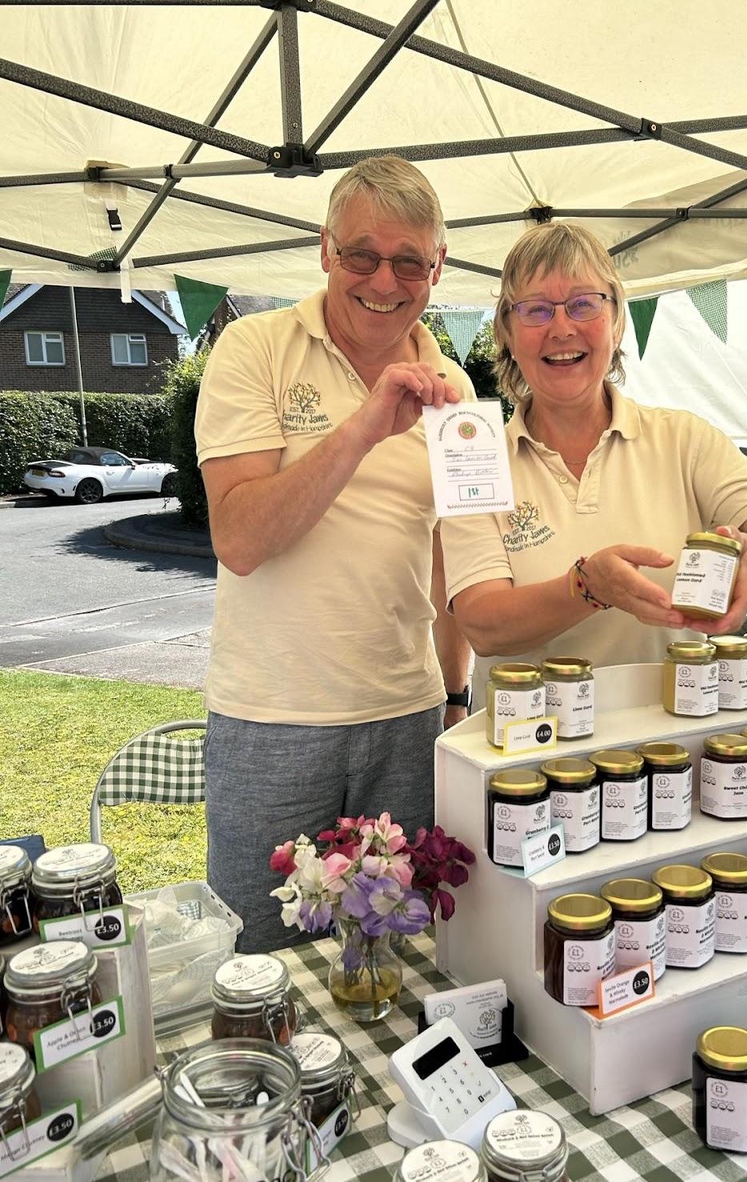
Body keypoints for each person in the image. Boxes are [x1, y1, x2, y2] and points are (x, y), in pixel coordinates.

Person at [195, 156, 473, 953]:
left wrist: (455, 697)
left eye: (410, 261)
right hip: (272, 719)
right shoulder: (254, 349)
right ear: (325, 249)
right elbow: (240, 539)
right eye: (362, 255)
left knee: (400, 952)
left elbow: (450, 560)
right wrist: (362, 426)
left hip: (407, 716)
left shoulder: (452, 386)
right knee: (261, 955)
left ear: (437, 267)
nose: (384, 280)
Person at [440, 222, 747, 701]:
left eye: (584, 304)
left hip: (667, 756)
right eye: (536, 310)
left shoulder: (682, 439)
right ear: (507, 334)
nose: (562, 328)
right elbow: (483, 624)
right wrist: (586, 587)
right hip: (523, 757)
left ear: (617, 321)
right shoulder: (474, 456)